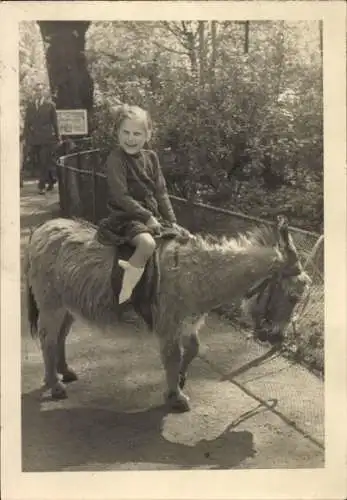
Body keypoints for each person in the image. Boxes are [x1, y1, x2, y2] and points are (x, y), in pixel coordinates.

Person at [101, 104, 181, 304]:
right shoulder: (116, 159)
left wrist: (172, 221)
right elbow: (121, 196)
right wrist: (147, 217)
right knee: (147, 244)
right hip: (125, 216)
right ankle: (126, 291)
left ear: (148, 135)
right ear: (117, 133)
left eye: (137, 133)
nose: (130, 138)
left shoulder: (151, 158)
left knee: (183, 240)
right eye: (125, 132)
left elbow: (161, 192)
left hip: (151, 215)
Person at [22, 83, 61, 194]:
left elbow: (55, 122)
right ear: (34, 92)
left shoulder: (50, 105)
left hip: (47, 138)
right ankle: (52, 179)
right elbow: (27, 123)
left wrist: (58, 136)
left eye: (40, 90)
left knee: (44, 161)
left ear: (44, 92)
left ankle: (41, 186)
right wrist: (25, 136)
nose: (38, 92)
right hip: (34, 139)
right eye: (36, 90)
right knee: (39, 162)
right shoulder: (30, 106)